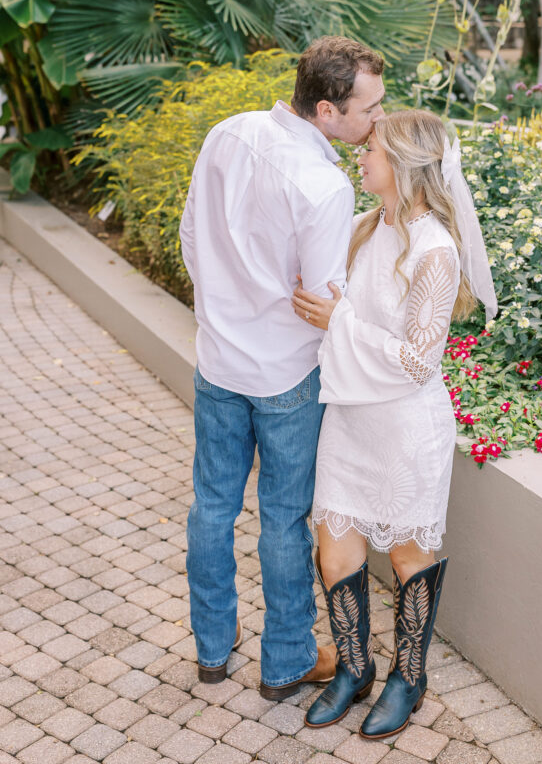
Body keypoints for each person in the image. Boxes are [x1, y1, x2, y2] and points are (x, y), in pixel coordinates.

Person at [179, 36, 385, 697]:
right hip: (288, 377)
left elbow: (190, 234)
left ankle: (211, 652)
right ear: (326, 111)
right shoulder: (323, 185)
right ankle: (287, 662)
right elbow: (324, 297)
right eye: (368, 109)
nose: (377, 120)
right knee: (282, 520)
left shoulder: (227, 133)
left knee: (211, 508)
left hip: (217, 361)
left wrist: (220, 309)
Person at [291, 109, 497, 738]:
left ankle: (409, 677)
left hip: (407, 427)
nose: (362, 155)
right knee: (336, 553)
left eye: (373, 148)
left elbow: (417, 362)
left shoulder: (435, 249)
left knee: (409, 558)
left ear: (405, 164)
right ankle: (354, 668)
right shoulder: (362, 227)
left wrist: (338, 324)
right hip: (350, 419)